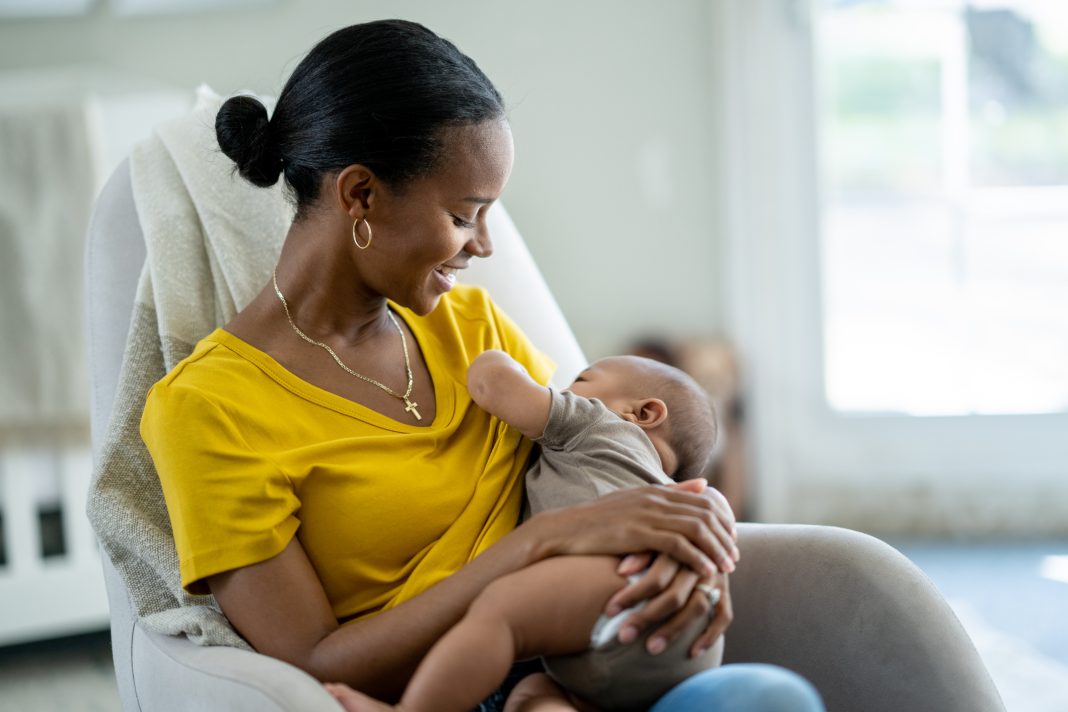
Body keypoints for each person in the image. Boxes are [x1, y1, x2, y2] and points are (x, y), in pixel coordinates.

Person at [139, 19, 824, 712]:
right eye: (467, 215)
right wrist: (543, 544)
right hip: (437, 694)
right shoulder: (210, 408)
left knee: (771, 698)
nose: (485, 246)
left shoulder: (472, 330)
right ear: (360, 196)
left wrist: (684, 518)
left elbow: (597, 453)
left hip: (579, 666)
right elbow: (310, 662)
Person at [326, 350, 727, 712]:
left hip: (619, 581)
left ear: (642, 414)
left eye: (582, 380)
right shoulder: (666, 488)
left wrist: (496, 359)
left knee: (501, 610)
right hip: (686, 644)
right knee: (535, 692)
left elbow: (492, 385)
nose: (565, 390)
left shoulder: (598, 424)